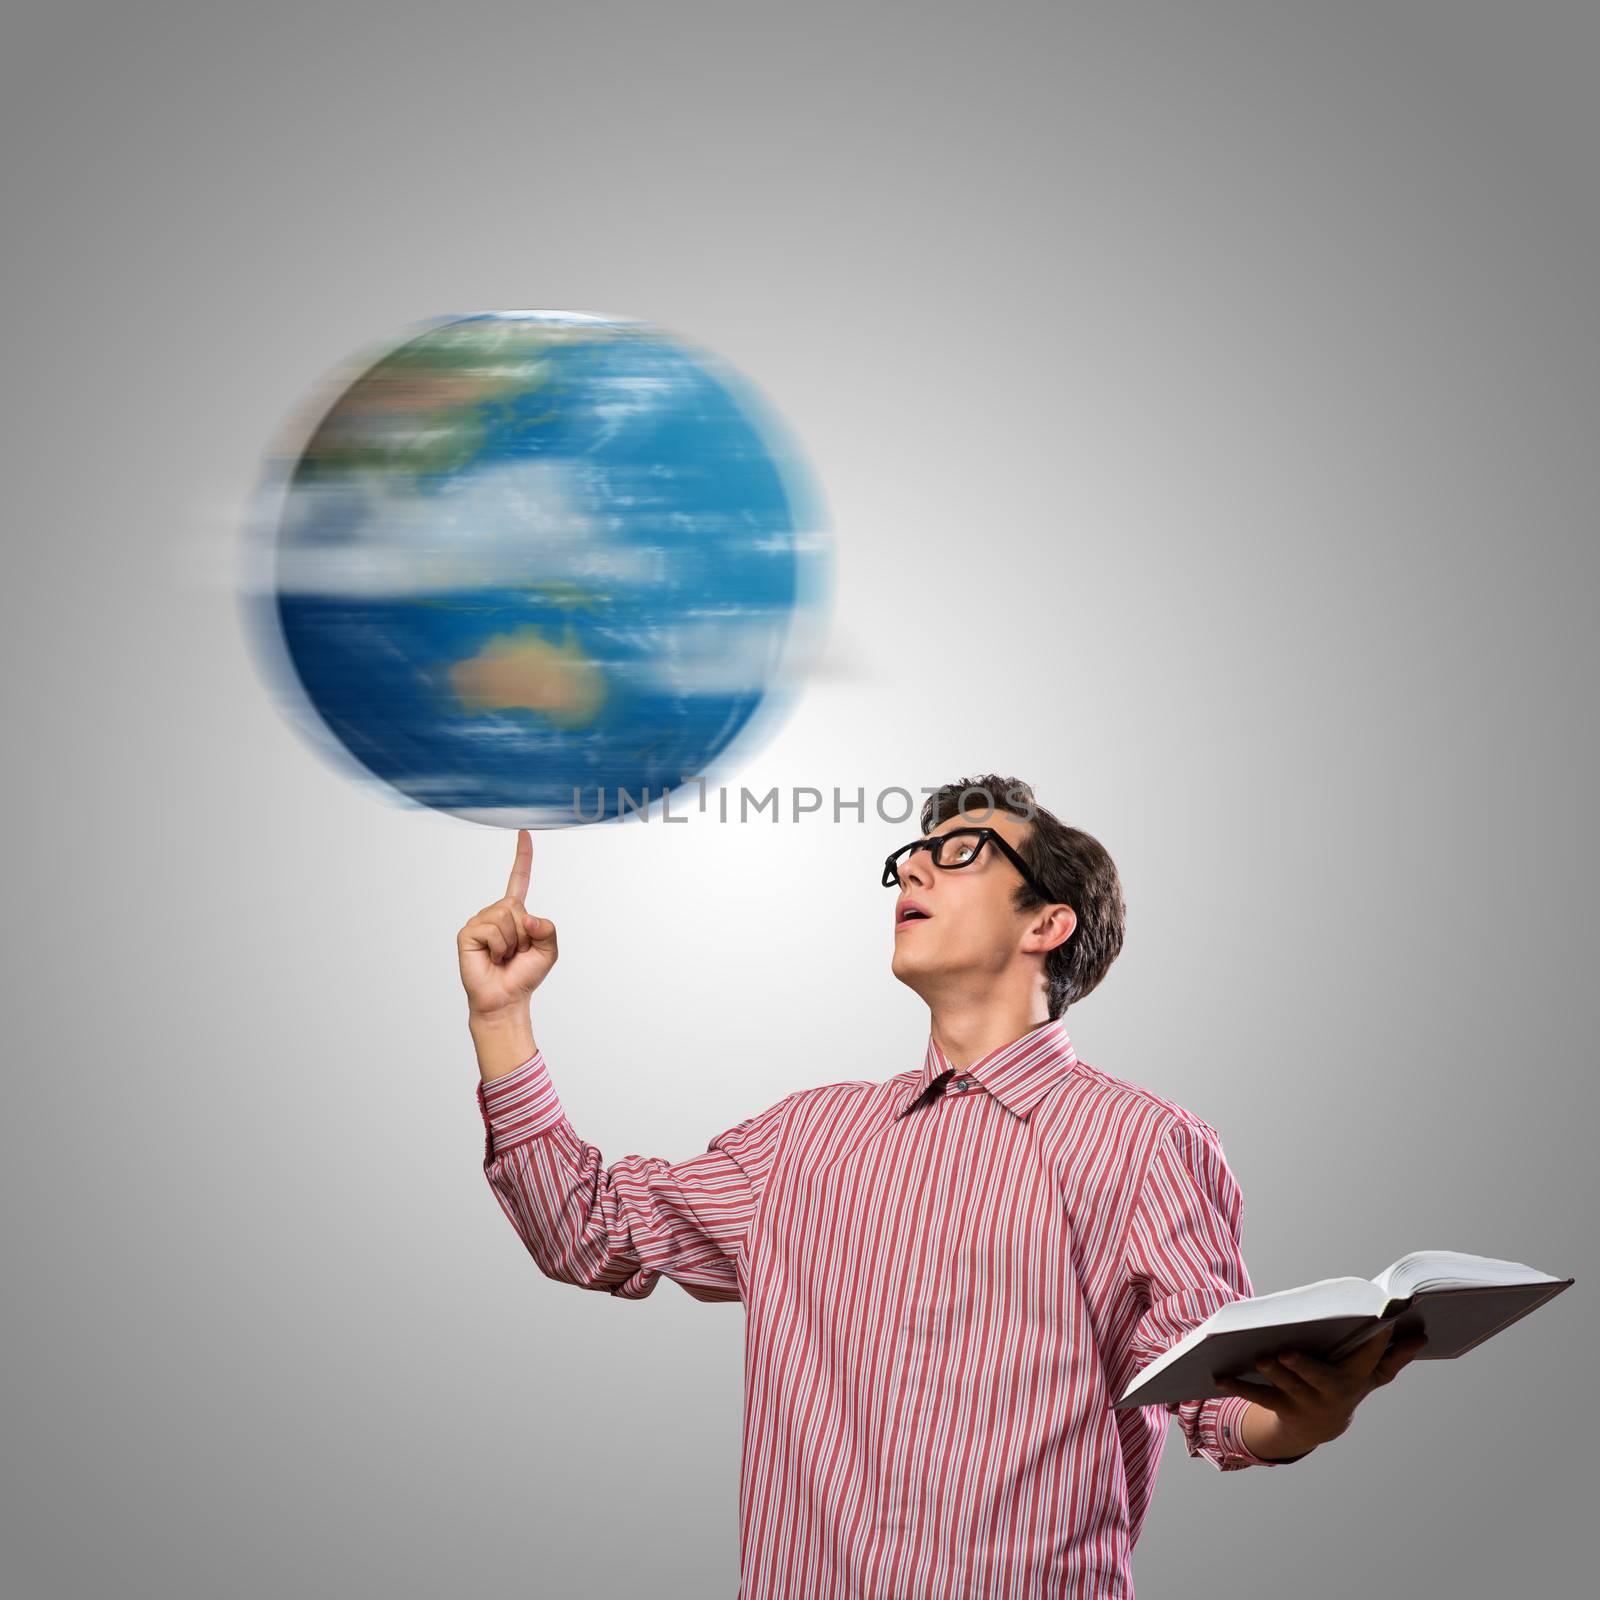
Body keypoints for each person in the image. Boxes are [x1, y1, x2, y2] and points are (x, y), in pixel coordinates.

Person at [458, 774, 1426, 1598]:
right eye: (908, 857)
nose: (911, 867)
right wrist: (501, 1018)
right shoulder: (802, 1142)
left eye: (958, 851)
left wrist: (1298, 1417)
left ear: (1048, 921)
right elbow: (586, 1228)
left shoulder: (1143, 1145)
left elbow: (1212, 1397)